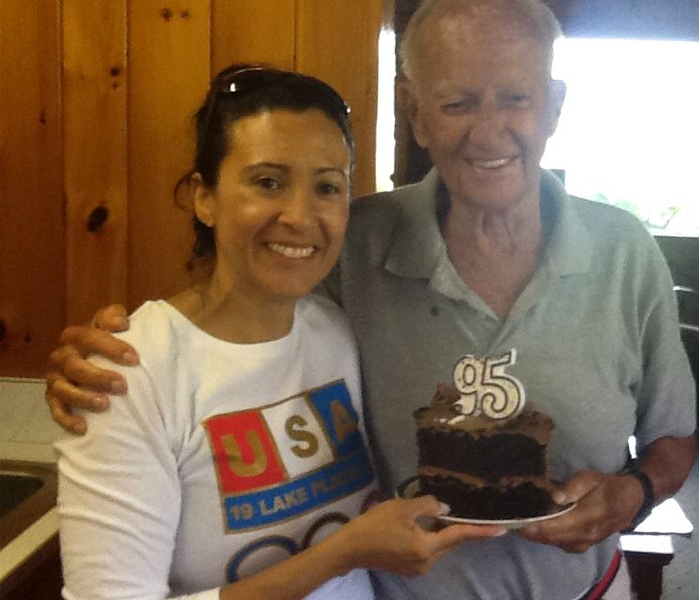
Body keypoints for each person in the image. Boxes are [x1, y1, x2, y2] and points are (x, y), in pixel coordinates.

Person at [46, 1, 698, 599]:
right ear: (414, 112)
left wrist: (634, 492)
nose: (489, 130)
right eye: (457, 102)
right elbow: (238, 311)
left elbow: (676, 439)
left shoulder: (626, 252)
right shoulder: (354, 250)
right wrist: (112, 355)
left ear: (554, 106)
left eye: (517, 98)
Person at [52, 64, 504, 600]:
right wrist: (342, 553)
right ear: (204, 197)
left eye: (327, 187)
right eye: (268, 182)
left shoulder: (338, 329)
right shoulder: (131, 371)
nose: (299, 215)